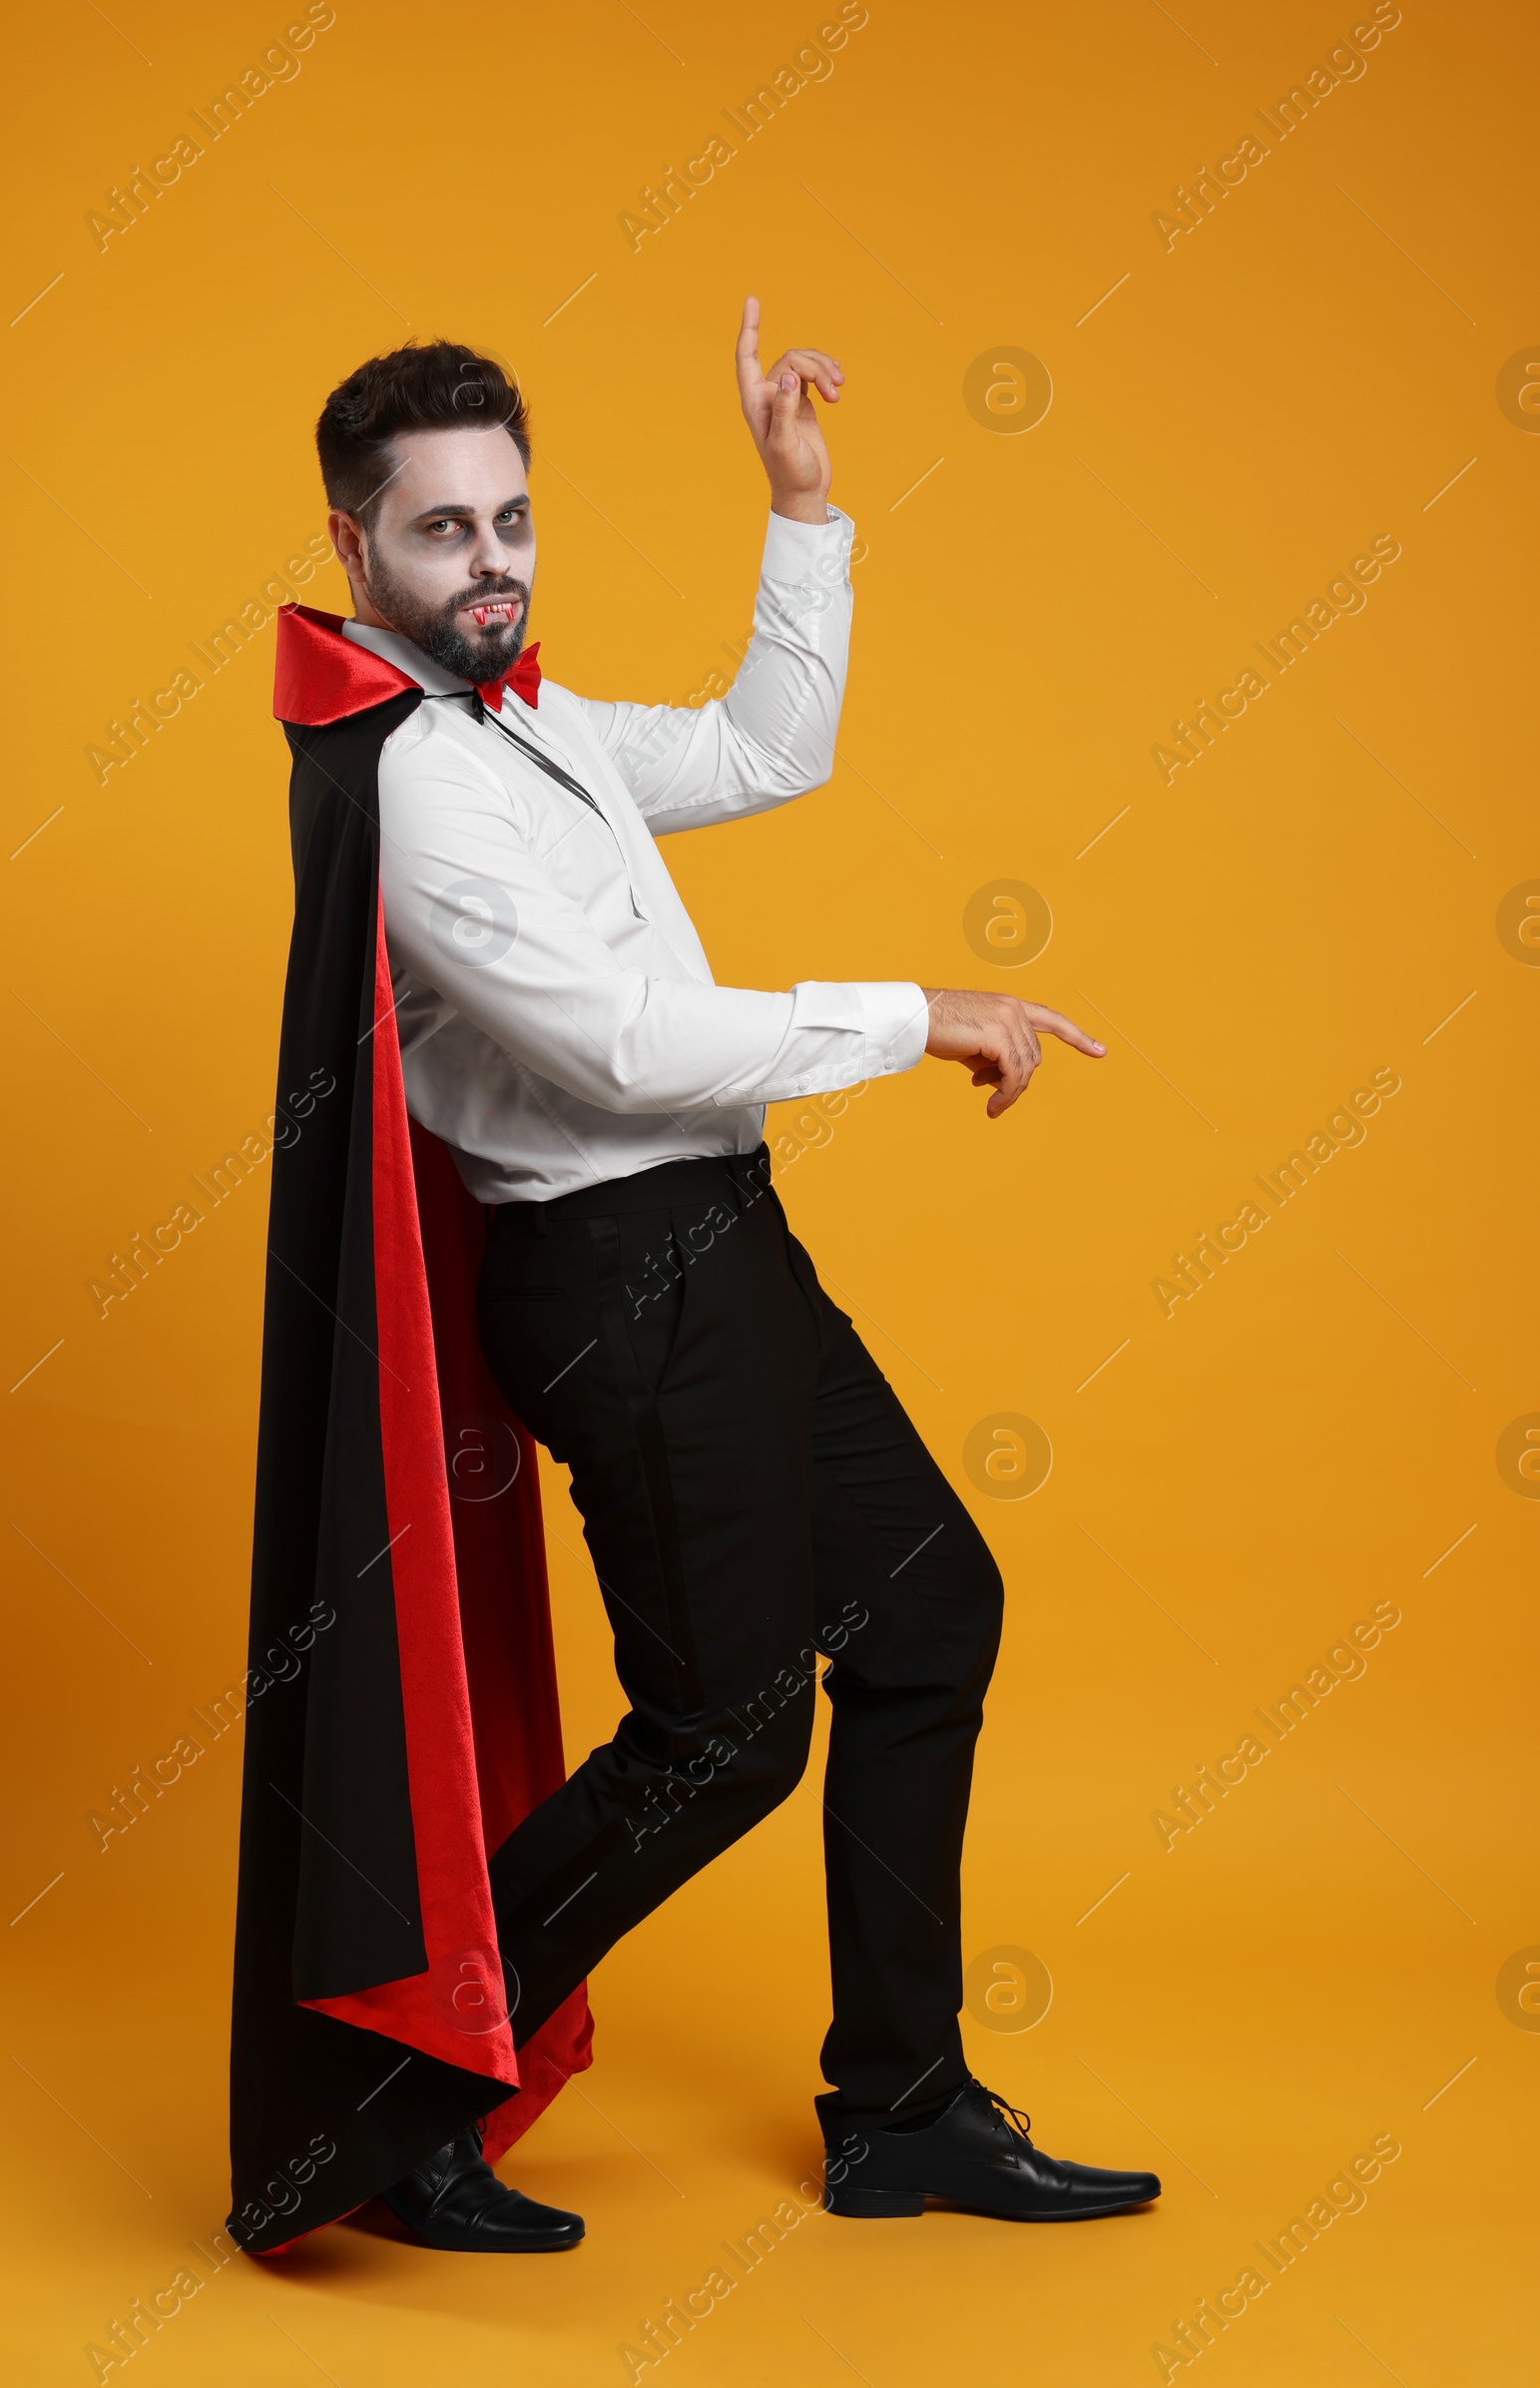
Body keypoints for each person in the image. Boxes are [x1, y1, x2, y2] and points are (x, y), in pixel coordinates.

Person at [227, 300, 1158, 2258]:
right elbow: (627, 1052)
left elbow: (762, 745)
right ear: (352, 547)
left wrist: (798, 508)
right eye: (439, 532)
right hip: (614, 1278)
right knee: (724, 1732)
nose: (489, 565)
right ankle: (394, 2098)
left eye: (511, 521)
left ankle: (897, 2109)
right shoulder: (408, 785)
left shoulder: (539, 725)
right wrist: (921, 1010)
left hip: (727, 1250)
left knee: (926, 1618)